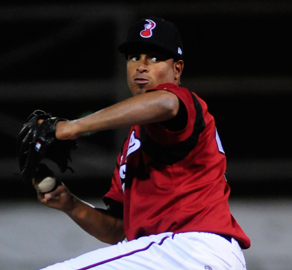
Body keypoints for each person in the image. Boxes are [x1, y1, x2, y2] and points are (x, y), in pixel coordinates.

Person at [36, 17, 250, 270]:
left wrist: (72, 127)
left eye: (155, 58)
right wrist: (70, 205)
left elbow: (166, 104)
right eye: (134, 57)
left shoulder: (184, 102)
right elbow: (117, 229)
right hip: (175, 255)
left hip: (190, 248)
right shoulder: (132, 146)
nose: (142, 66)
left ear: (177, 70)